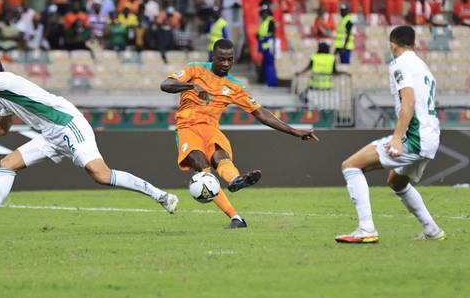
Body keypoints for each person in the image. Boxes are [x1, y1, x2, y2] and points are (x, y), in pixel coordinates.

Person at [0, 55, 179, 236]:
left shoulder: (3, 80)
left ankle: (162, 196)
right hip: (49, 134)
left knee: (101, 176)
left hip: (68, 123)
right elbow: (1, 129)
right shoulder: (5, 95)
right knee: (6, 164)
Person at [160, 39, 318, 228]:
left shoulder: (235, 86)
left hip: (211, 129)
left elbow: (260, 112)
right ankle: (235, 216)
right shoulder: (195, 69)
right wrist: (192, 86)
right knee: (204, 171)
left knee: (221, 156)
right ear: (213, 57)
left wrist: (295, 131)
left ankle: (236, 181)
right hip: (187, 127)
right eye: (221, 59)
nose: (226, 64)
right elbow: (166, 84)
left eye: (230, 60)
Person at [335, 26, 444, 244]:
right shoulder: (422, 65)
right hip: (431, 136)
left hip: (414, 137)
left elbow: (409, 101)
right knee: (397, 182)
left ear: (392, 45)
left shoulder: (400, 64)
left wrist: (397, 137)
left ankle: (366, 228)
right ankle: (432, 230)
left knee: (351, 165)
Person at [257, 3, 277, 86]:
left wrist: (273, 48)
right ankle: (265, 81)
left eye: (265, 12)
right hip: (264, 46)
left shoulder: (270, 21)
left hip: (269, 46)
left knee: (269, 65)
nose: (263, 14)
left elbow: (273, 35)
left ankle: (271, 82)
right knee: (265, 65)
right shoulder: (264, 21)